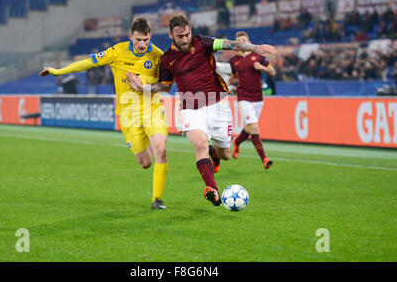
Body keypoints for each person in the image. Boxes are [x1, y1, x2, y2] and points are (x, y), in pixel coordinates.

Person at [126, 13, 277, 207]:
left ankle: (215, 155)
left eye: (187, 34)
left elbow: (231, 44)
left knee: (226, 155)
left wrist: (255, 47)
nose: (185, 39)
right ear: (171, 35)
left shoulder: (202, 42)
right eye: (180, 36)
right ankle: (212, 189)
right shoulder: (167, 59)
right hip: (191, 107)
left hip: (218, 105)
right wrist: (143, 88)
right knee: (200, 144)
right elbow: (164, 86)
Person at [39, 17, 169, 210]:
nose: (142, 44)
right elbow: (87, 63)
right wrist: (58, 72)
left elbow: (166, 86)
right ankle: (147, 142)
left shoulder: (157, 54)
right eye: (138, 40)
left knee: (161, 148)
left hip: (152, 109)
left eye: (146, 39)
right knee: (145, 163)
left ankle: (157, 200)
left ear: (150, 37)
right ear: (130, 37)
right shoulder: (116, 52)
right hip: (128, 115)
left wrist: (147, 87)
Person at [227, 31, 276, 169]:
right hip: (243, 97)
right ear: (237, 45)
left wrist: (262, 68)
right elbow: (234, 77)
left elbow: (272, 72)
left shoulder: (259, 56)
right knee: (253, 126)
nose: (243, 42)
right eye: (239, 41)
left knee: (250, 127)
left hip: (258, 97)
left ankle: (237, 141)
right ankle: (264, 158)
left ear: (249, 41)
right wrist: (225, 85)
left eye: (244, 40)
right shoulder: (234, 61)